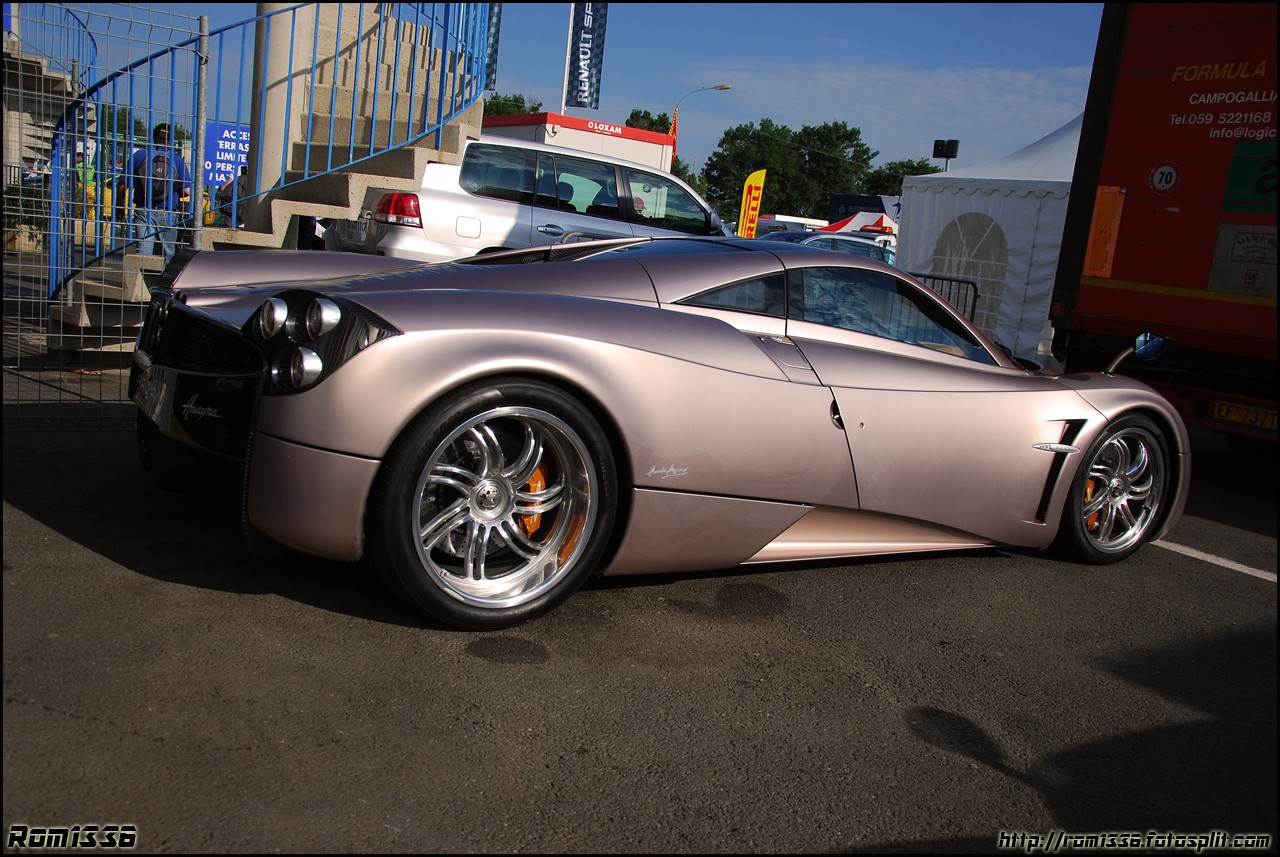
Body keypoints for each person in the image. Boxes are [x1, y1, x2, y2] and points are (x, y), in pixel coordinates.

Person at [115, 123, 192, 261]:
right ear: (171, 139)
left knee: (143, 251)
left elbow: (123, 183)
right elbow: (186, 191)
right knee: (169, 253)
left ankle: (139, 281)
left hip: (144, 209)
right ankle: (167, 281)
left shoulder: (140, 155)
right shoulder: (177, 160)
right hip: (168, 211)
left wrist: (120, 206)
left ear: (153, 137)